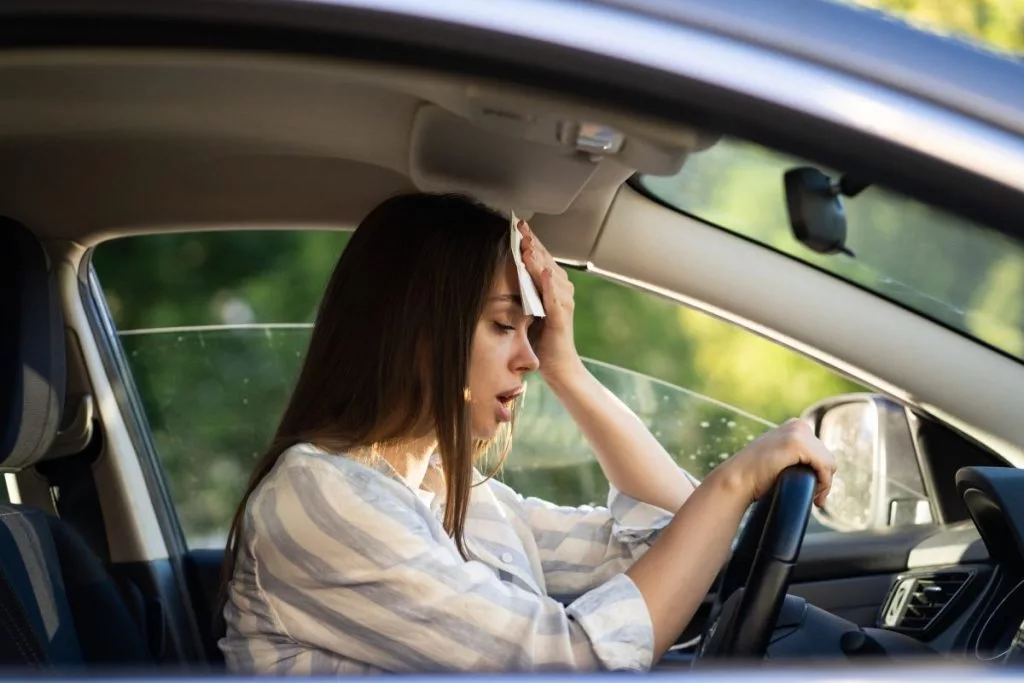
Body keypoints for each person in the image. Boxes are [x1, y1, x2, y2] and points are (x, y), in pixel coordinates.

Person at [217, 192, 836, 674]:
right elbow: (568, 663)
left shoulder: (451, 492)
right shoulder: (319, 497)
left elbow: (674, 538)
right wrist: (736, 480)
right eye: (502, 325)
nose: (529, 358)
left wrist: (570, 370)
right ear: (421, 336)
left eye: (531, 332)